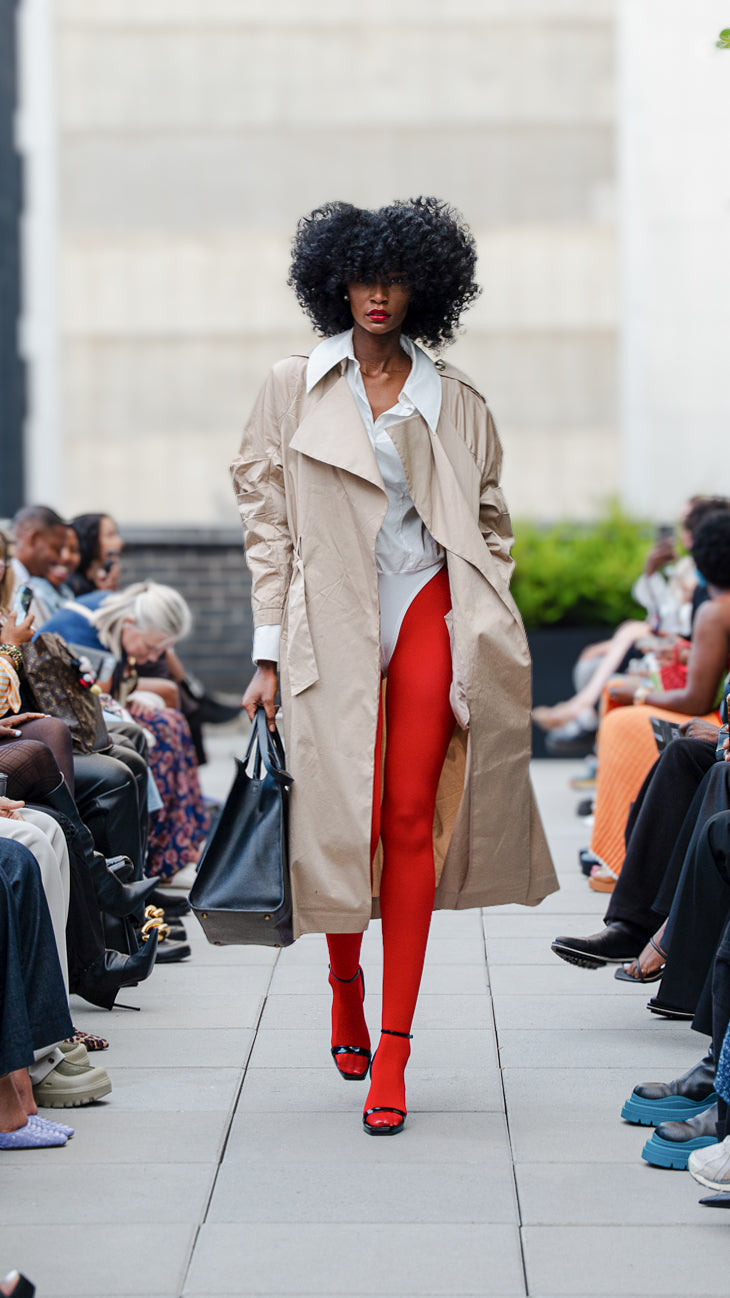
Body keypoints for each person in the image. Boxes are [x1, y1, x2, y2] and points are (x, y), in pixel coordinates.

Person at [232, 197, 557, 1136]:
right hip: (321, 615)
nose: (378, 295)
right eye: (362, 277)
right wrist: (263, 650)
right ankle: (344, 985)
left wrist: (479, 631)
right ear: (335, 280)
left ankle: (399, 1050)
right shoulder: (293, 385)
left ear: (426, 286)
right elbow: (266, 523)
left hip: (423, 604)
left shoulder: (453, 397)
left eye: (397, 277)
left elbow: (491, 523)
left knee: (409, 815)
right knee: (343, 813)